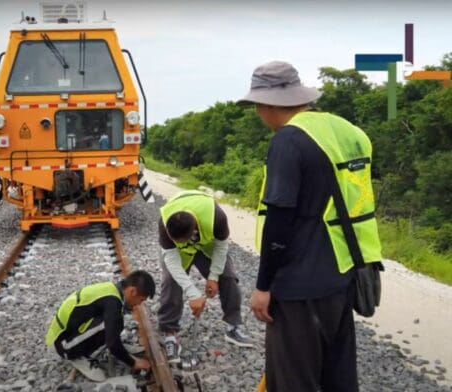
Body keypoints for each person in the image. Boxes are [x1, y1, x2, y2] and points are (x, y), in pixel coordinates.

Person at [240, 61, 383, 392]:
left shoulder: (288, 141)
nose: (259, 114)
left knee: (293, 381)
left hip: (298, 288)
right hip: (343, 275)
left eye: (257, 106)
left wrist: (263, 287)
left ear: (266, 104)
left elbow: (278, 221)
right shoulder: (344, 130)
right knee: (338, 378)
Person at [157, 190, 253, 364]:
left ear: (194, 231)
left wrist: (213, 277)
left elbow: (222, 247)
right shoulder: (164, 223)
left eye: (181, 240)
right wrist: (193, 293)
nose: (177, 242)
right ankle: (169, 333)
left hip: (207, 246)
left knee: (228, 277)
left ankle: (233, 327)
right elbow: (170, 258)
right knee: (171, 281)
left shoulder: (217, 217)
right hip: (181, 254)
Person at [45, 270, 154, 382]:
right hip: (64, 346)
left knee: (115, 321)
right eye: (141, 300)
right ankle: (78, 357)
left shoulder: (113, 290)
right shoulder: (113, 302)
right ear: (133, 291)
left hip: (66, 334)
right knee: (114, 323)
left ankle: (83, 347)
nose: (139, 304)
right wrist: (134, 363)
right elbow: (112, 344)